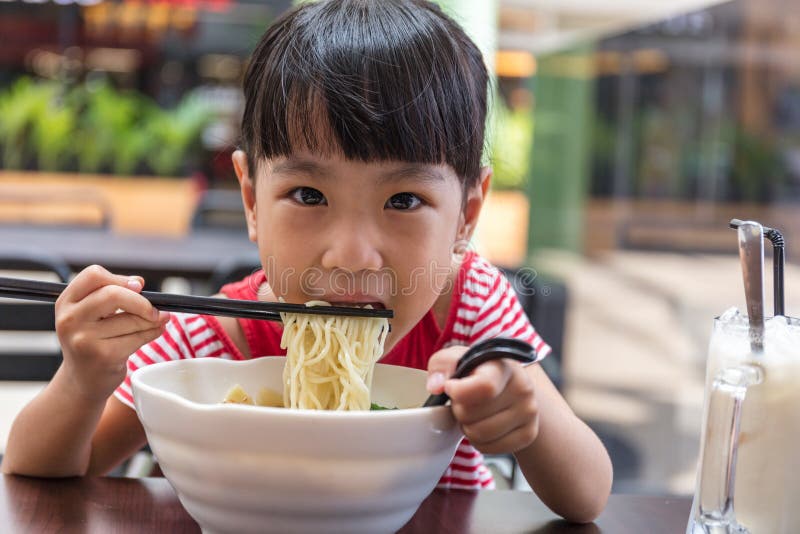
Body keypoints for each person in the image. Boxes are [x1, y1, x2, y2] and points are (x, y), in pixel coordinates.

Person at [2, 0, 612, 522]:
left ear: (466, 215)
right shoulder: (216, 332)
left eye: (404, 199)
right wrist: (83, 382)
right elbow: (38, 471)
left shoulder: (470, 304)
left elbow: (587, 495)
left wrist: (522, 404)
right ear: (251, 199)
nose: (349, 255)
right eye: (309, 195)